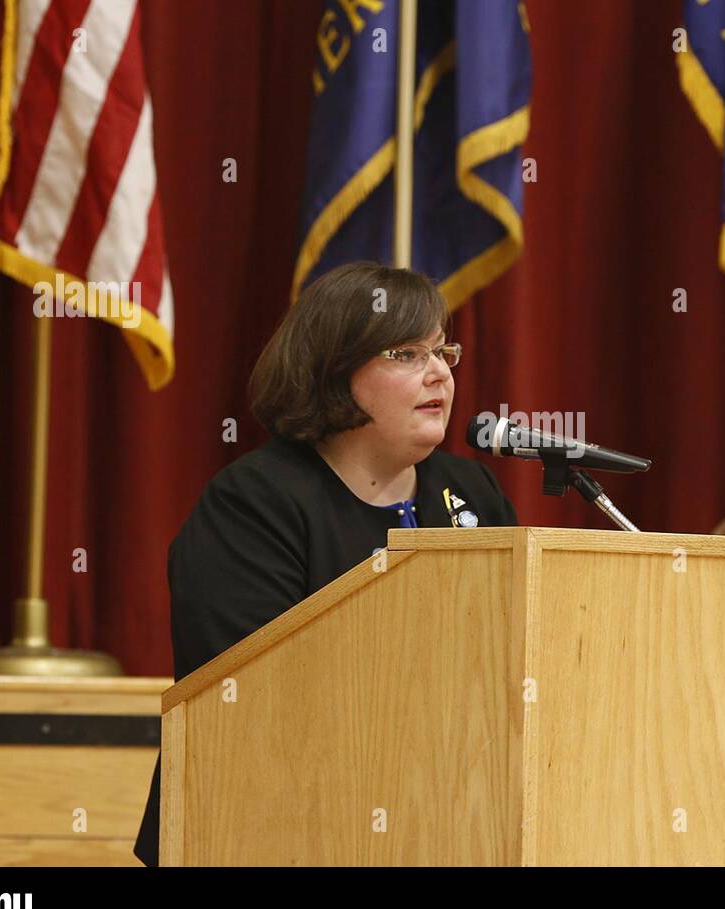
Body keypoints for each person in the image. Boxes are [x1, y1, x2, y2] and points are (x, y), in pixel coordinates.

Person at [132, 261, 518, 866]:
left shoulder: (471, 489)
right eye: (406, 354)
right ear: (335, 369)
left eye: (443, 351)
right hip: (266, 829)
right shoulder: (254, 503)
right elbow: (247, 696)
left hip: (445, 821)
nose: (439, 372)